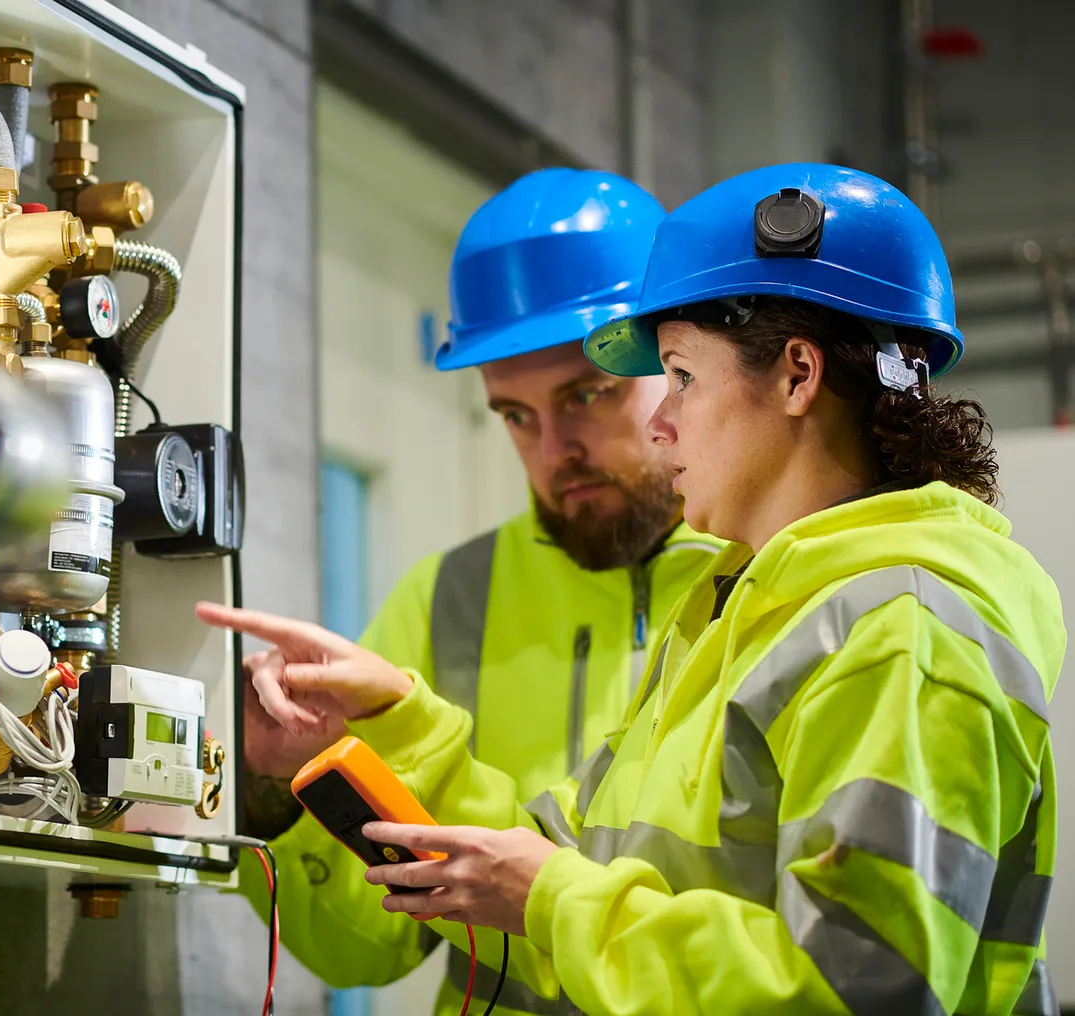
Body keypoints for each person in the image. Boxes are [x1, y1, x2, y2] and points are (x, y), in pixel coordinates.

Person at [209, 164, 1062, 1015]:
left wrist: (552, 898)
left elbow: (859, 992)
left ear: (798, 376)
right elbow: (554, 871)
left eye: (678, 377)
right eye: (515, 416)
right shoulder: (734, 612)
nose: (659, 423)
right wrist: (404, 725)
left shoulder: (897, 629)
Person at [234, 168, 722, 1015]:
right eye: (515, 415)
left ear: (675, 365)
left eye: (586, 396)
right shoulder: (443, 600)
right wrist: (274, 792)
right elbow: (365, 948)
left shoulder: (773, 578)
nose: (553, 449)